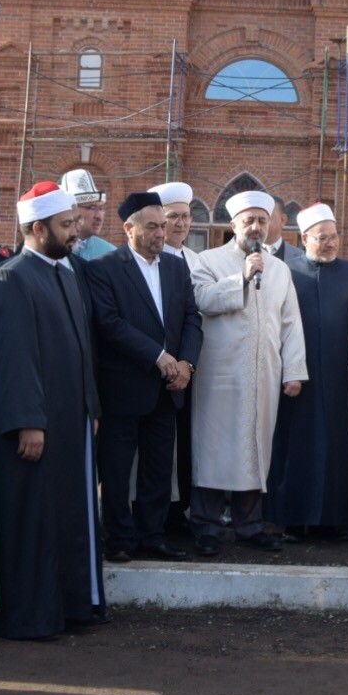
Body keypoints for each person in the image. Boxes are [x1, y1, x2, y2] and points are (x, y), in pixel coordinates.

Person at [0, 183, 107, 639]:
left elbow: (83, 350)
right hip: (36, 428)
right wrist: (27, 422)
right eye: (67, 224)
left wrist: (91, 406)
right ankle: (31, 616)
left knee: (71, 517)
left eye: (76, 222)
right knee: (35, 518)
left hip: (72, 423)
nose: (77, 231)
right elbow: (12, 359)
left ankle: (73, 607)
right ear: (38, 228)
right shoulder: (12, 277)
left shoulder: (67, 272)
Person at [189, 191, 307, 555]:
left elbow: (291, 324)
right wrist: (240, 278)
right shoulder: (207, 260)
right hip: (218, 376)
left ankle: (250, 526)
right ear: (233, 223)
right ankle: (207, 528)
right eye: (249, 220)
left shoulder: (281, 270)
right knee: (212, 450)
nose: (256, 227)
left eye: (262, 220)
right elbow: (201, 300)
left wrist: (294, 371)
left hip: (264, 376)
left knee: (256, 448)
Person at [86, 192, 202, 561]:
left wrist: (186, 363)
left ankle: (153, 536)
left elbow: (192, 319)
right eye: (152, 226)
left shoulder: (175, 267)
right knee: (117, 470)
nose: (161, 233)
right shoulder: (104, 268)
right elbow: (109, 324)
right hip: (123, 387)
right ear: (129, 228)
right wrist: (159, 356)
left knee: (157, 467)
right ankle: (119, 539)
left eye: (163, 226)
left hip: (168, 388)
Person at [267, 203, 348, 540]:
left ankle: (333, 519)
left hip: (340, 376)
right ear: (305, 238)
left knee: (337, 445)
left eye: (334, 237)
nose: (330, 244)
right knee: (296, 445)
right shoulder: (285, 272)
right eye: (322, 238)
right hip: (296, 376)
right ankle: (293, 518)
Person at [151, 180, 201, 525]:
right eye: (172, 217)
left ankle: (180, 508)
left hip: (188, 370)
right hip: (153, 370)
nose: (180, 224)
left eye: (185, 216)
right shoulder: (146, 260)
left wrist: (187, 362)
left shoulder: (199, 260)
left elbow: (194, 318)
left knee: (184, 443)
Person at [62, 169, 116, 261]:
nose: (99, 216)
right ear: (72, 210)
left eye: (101, 208)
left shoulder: (112, 254)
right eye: (92, 208)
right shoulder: (53, 251)